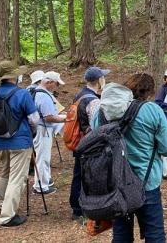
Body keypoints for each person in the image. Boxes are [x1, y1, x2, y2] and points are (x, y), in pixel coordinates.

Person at [93, 74, 167, 242]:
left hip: (115, 184)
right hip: (147, 182)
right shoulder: (152, 110)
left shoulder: (101, 113)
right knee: (155, 234)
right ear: (150, 92)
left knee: (121, 234)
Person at [0, 61, 40, 227]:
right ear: (14, 76)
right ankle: (7, 216)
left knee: (5, 172)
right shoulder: (22, 94)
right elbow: (34, 119)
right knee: (17, 177)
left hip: (0, 139)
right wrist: (32, 132)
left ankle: (2, 203)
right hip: (20, 140)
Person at [68, 66, 109, 221]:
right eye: (103, 77)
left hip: (79, 141)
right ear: (99, 80)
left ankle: (76, 207)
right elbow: (95, 126)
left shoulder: (79, 95)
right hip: (89, 143)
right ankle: (80, 209)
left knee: (78, 174)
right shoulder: (93, 100)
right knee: (85, 175)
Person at [32, 71, 66, 195]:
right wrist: (66, 118)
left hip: (40, 129)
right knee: (43, 158)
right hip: (43, 129)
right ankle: (41, 186)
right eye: (56, 84)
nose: (57, 86)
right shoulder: (44, 96)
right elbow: (49, 117)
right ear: (49, 82)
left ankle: (42, 183)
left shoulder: (37, 92)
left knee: (42, 157)